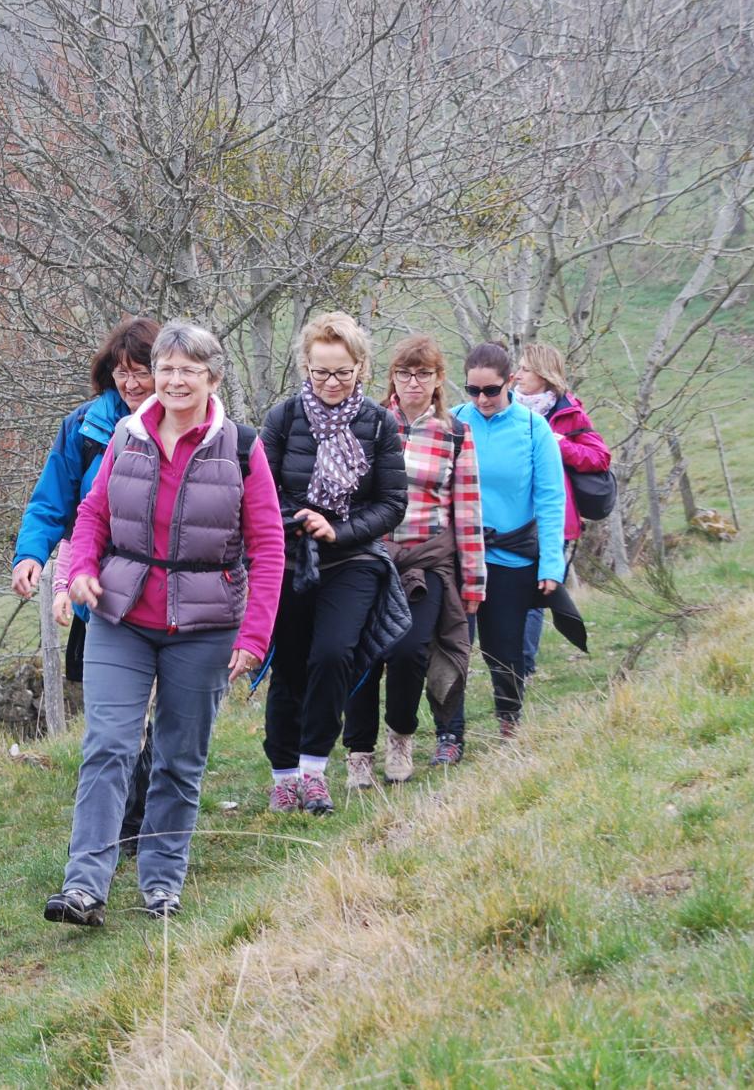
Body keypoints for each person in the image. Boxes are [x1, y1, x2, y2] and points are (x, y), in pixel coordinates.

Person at [45, 321, 284, 924]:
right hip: (120, 614)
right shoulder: (126, 435)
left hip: (205, 625)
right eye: (168, 368)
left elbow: (269, 547)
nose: (176, 380)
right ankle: (84, 886)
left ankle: (160, 883)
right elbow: (92, 510)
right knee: (108, 746)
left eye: (189, 370)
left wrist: (255, 637)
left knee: (180, 756)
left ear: (213, 378)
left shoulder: (243, 448)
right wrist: (77, 571)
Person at [9, 316, 159, 852]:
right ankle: (123, 824)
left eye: (142, 372)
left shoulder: (188, 426)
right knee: (115, 721)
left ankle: (151, 819)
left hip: (169, 594)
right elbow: (51, 501)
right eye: (123, 374)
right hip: (102, 591)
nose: (133, 384)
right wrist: (31, 555)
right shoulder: (83, 429)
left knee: (159, 722)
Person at [260, 312, 407, 815]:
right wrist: (298, 519)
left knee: (333, 655)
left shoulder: (379, 424)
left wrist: (339, 530)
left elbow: (392, 503)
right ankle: (282, 776)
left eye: (342, 372)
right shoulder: (282, 419)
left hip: (354, 558)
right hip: (290, 556)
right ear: (306, 366)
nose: (331, 382)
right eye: (321, 372)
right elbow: (257, 493)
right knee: (290, 665)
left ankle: (314, 770)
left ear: (361, 367)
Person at [345, 336, 486, 779]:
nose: (413, 382)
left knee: (409, 651)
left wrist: (474, 581)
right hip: (369, 556)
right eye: (404, 373)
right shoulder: (367, 423)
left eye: (423, 374)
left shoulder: (455, 435)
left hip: (426, 562)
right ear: (392, 376)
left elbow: (467, 511)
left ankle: (401, 737)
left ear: (438, 379)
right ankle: (358, 751)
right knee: (362, 653)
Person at [451, 342, 565, 742]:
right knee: (453, 649)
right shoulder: (452, 424)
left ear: (510, 383)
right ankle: (451, 734)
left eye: (491, 390)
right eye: (473, 390)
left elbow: (551, 500)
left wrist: (552, 564)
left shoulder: (535, 429)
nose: (481, 399)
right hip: (459, 557)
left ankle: (509, 722)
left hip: (511, 558)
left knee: (505, 650)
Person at [511, 342, 609, 683]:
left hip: (557, 518)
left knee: (539, 592)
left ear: (543, 374)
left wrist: (558, 443)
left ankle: (522, 666)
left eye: (524, 368)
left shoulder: (570, 412)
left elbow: (599, 458)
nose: (518, 374)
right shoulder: (506, 408)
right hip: (512, 519)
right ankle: (509, 660)